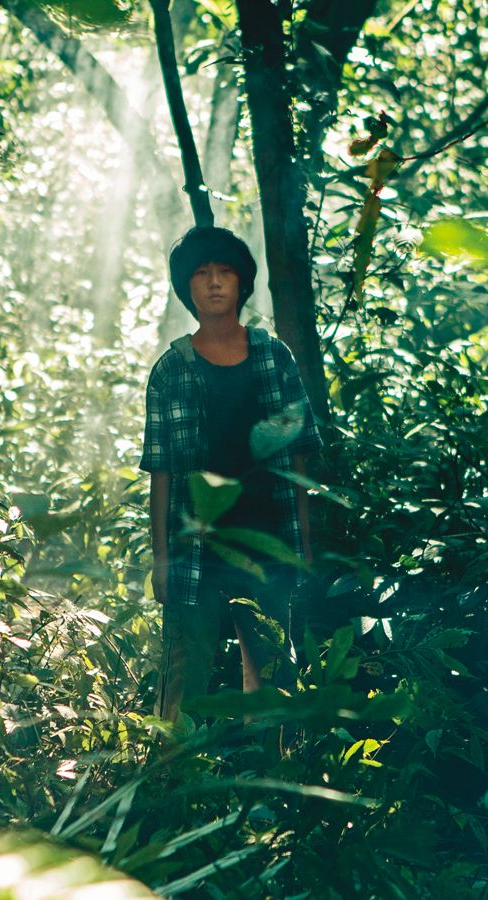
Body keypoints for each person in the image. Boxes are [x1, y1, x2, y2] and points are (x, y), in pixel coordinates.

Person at [140, 225, 323, 723]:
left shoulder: (274, 357)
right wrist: (161, 559)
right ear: (187, 287)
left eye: (225, 272)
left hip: (267, 541)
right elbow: (160, 469)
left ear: (243, 282)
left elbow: (299, 455)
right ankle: (175, 765)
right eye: (202, 273)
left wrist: (303, 542)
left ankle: (268, 766)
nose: (215, 282)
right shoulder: (171, 369)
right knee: (185, 677)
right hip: (195, 549)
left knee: (272, 679)